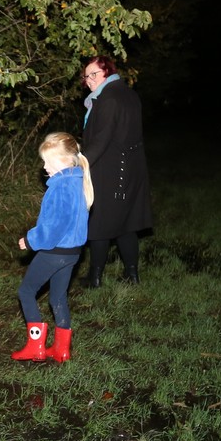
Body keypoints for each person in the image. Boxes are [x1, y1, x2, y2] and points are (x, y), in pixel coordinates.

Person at [12, 132, 94, 363]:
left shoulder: (60, 187)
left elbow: (54, 226)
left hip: (54, 251)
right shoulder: (78, 181)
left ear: (66, 160)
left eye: (48, 162)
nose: (45, 167)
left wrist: (31, 240)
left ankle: (35, 347)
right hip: (72, 252)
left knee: (26, 292)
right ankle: (61, 350)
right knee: (57, 297)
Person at [79, 56, 153, 286]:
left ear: (107, 71)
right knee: (125, 221)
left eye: (94, 74)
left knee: (99, 223)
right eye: (86, 76)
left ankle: (95, 277)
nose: (89, 80)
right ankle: (132, 275)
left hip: (110, 169)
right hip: (131, 167)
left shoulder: (108, 98)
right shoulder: (128, 93)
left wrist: (80, 165)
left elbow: (101, 139)